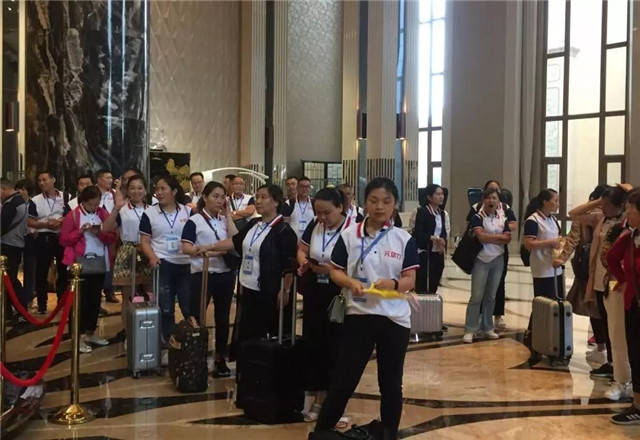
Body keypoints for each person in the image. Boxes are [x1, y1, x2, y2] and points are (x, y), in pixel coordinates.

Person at [314, 177, 420, 439]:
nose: (379, 207)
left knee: (391, 384)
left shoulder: (403, 239)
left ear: (395, 205)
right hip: (359, 316)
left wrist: (393, 284)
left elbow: (410, 280)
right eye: (373, 200)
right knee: (344, 380)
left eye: (386, 201)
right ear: (365, 202)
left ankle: (389, 433)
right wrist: (350, 282)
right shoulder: (350, 235)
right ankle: (322, 433)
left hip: (395, 320)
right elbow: (336, 271)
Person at [209, 184, 297, 348]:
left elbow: (289, 265)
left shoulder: (284, 231)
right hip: (248, 286)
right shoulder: (255, 223)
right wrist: (209, 247)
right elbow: (235, 241)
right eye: (257, 197)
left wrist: (285, 290)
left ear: (276, 202)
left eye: (264, 197)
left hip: (269, 290)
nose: (258, 201)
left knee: (266, 334)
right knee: (248, 332)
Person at [566, 186, 630, 400]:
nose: (604, 208)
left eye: (608, 205)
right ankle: (611, 363)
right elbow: (574, 214)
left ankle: (622, 373)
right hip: (599, 278)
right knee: (605, 320)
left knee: (616, 325)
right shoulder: (601, 218)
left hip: (615, 281)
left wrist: (627, 195)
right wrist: (599, 202)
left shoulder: (626, 222)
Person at [297, 188, 353, 425]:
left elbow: (358, 264)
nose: (322, 218)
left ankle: (337, 404)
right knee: (315, 344)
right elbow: (302, 249)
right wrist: (304, 262)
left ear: (340, 207)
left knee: (336, 348)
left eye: (327, 213)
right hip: (315, 291)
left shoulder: (352, 228)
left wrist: (331, 270)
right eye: (318, 212)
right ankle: (318, 400)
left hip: (338, 293)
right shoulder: (315, 224)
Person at [181, 181, 239, 377]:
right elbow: (186, 247)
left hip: (225, 274)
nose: (219, 200)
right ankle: (196, 354)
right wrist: (206, 251)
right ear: (204, 197)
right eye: (215, 196)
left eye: (222, 197)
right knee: (197, 316)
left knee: (223, 317)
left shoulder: (224, 220)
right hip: (202, 273)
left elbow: (236, 241)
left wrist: (228, 215)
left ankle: (220, 356)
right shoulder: (194, 221)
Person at [60, 186, 117, 353]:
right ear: (83, 202)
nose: (93, 207)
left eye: (96, 204)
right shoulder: (73, 215)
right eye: (90, 204)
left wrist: (98, 233)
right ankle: (76, 336)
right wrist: (80, 232)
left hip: (99, 262)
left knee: (95, 300)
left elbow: (112, 236)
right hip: (78, 264)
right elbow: (64, 240)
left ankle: (90, 332)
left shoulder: (102, 213)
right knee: (80, 302)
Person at [139, 175, 192, 354]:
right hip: (163, 264)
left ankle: (192, 342)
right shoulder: (149, 213)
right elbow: (145, 241)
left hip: (186, 264)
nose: (159, 192)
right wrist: (152, 257)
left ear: (174, 191)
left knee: (188, 306)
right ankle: (169, 343)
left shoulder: (188, 212)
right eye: (157, 189)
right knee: (166, 307)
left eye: (163, 189)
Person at [103, 175, 153, 341]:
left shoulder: (153, 209)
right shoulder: (122, 209)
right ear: (127, 191)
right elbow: (106, 228)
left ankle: (149, 329)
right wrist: (116, 208)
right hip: (128, 251)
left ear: (145, 190)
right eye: (132, 188)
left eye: (140, 188)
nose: (136, 191)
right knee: (128, 296)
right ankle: (128, 332)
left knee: (150, 293)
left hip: (148, 252)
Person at [462, 188, 515, 343]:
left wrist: (491, 237)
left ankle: (487, 327)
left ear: (498, 201)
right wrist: (498, 237)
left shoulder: (502, 218)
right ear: (483, 200)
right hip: (481, 259)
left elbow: (507, 238)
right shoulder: (478, 217)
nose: (491, 201)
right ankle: (470, 329)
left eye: (494, 198)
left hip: (498, 259)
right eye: (488, 198)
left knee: (491, 296)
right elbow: (481, 237)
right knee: (477, 296)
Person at [606, 187, 640, 424]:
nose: (627, 212)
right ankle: (637, 405)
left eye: (631, 208)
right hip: (634, 306)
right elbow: (610, 257)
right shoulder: (629, 237)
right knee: (636, 354)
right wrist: (623, 278)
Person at [522, 188, 563, 348]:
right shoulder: (533, 220)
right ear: (545, 202)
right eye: (555, 200)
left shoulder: (552, 219)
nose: (557, 204)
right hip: (542, 269)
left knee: (556, 303)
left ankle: (551, 337)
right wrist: (550, 243)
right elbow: (529, 244)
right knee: (542, 304)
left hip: (555, 267)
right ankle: (532, 334)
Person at [27, 171, 70, 314]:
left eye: (44, 180)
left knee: (63, 271)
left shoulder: (66, 197)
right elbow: (30, 221)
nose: (42, 183)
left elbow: (71, 216)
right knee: (41, 271)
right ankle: (42, 304)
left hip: (61, 237)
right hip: (44, 237)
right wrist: (46, 224)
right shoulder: (35, 200)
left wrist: (61, 221)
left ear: (53, 180)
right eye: (39, 181)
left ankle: (62, 301)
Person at [413, 184, 448, 295]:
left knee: (434, 283)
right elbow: (418, 233)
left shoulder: (442, 213)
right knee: (423, 285)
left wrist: (443, 241)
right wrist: (433, 238)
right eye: (438, 194)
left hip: (437, 253)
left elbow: (443, 231)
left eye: (442, 194)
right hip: (425, 253)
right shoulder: (422, 212)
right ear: (429, 197)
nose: (441, 197)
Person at [1, 178, 29, 311]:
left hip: (9, 244)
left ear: (2, 189)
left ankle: (22, 310)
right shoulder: (19, 200)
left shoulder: (11, 203)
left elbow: (2, 225)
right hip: (15, 243)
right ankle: (8, 311)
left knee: (10, 279)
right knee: (8, 278)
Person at [95, 168, 119, 304]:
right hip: (95, 231)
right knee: (96, 259)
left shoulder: (115, 194)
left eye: (111, 178)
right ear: (99, 179)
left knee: (110, 260)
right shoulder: (93, 192)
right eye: (107, 178)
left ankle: (109, 290)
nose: (110, 180)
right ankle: (96, 291)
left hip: (111, 231)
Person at [15, 178, 36, 309]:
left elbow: (34, 221)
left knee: (29, 268)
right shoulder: (13, 203)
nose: (20, 192)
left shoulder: (32, 204)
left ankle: (28, 297)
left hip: (29, 238)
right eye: (18, 189)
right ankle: (16, 298)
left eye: (23, 189)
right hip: (16, 238)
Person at [283, 176, 315, 240]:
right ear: (297, 188)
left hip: (310, 240)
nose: (304, 189)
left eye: (307, 186)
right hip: (292, 241)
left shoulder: (314, 203)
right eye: (301, 186)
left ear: (310, 188)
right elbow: (285, 225)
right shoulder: (288, 204)